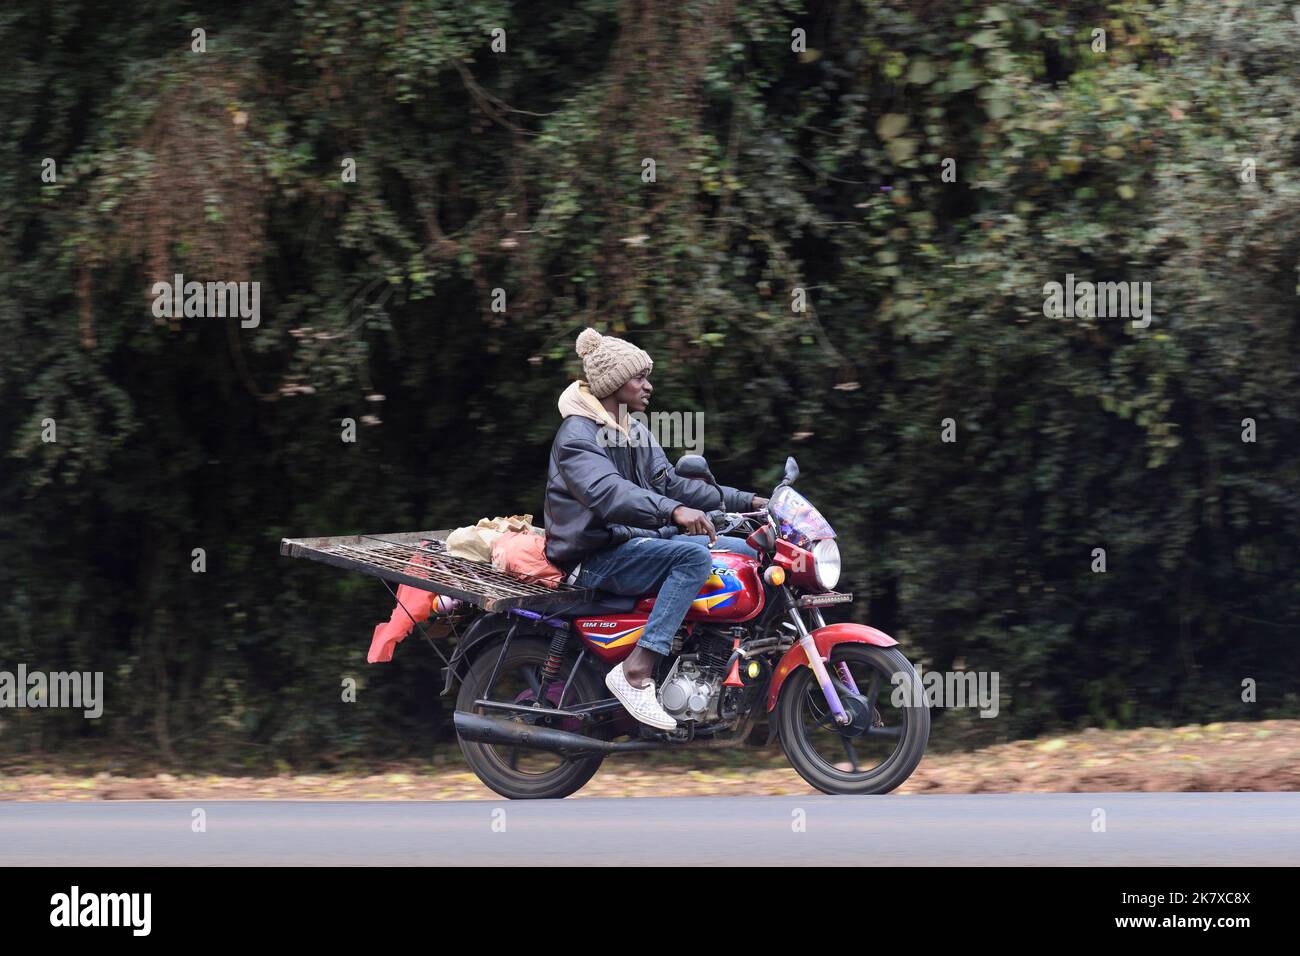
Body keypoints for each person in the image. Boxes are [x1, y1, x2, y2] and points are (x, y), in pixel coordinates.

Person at [543, 327, 767, 730]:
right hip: (592, 556)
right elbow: (610, 494)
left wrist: (750, 502)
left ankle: (723, 660)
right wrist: (675, 512)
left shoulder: (633, 430)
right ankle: (636, 671)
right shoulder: (577, 436)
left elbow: (672, 484)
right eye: (639, 377)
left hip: (634, 543)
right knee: (694, 555)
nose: (649, 385)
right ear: (614, 384)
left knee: (746, 549)